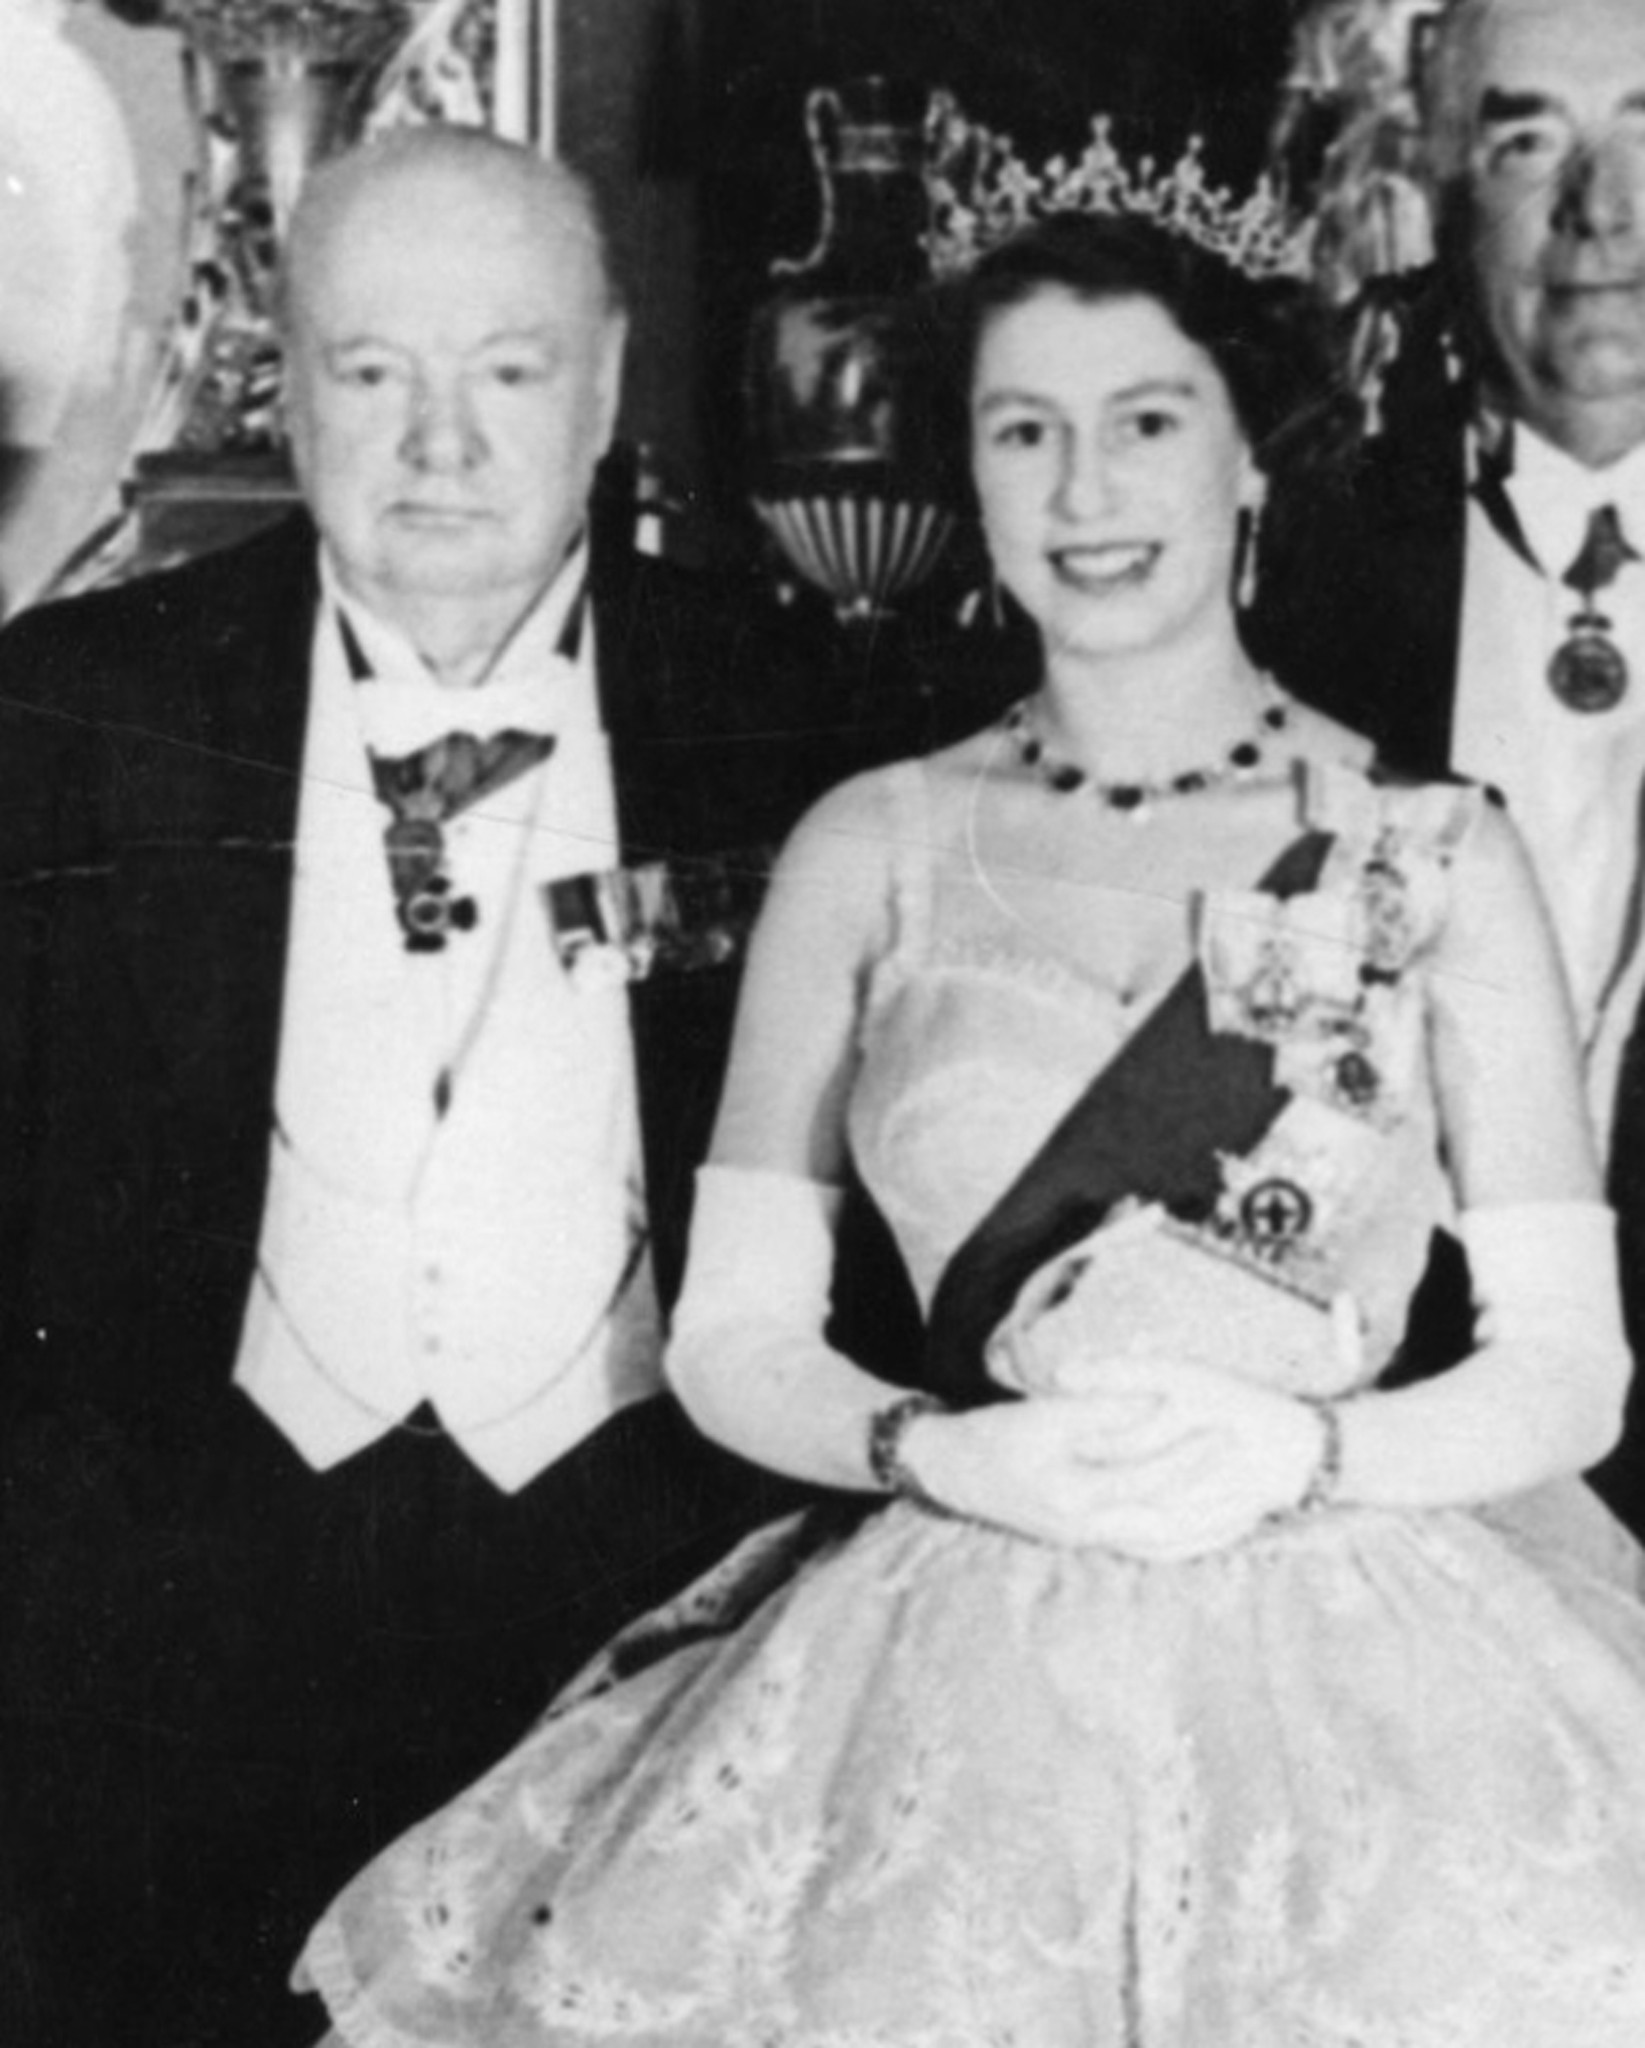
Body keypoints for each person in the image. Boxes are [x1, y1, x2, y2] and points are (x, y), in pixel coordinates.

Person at [295, 205, 1645, 2045]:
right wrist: (939, 1452)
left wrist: (1307, 1456)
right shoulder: (871, 845)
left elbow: (1568, 1372)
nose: (1085, 488)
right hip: (948, 1657)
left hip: (1375, 1661)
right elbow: (732, 1338)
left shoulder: (1434, 852)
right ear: (970, 478)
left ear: (1253, 452)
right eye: (1024, 430)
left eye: (1145, 419)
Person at [0, 127, 908, 2048]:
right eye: (372, 371)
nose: (441, 444)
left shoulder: (805, 718)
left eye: (505, 370)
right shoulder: (71, 707)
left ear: (604, 377)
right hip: (183, 1612)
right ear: (288, 379)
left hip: (654, 1600)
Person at [1259, 0, 1645, 1527]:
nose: (1600, 208)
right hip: (1396, 1494)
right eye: (1527, 139)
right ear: (1437, 185)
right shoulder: (1290, 581)